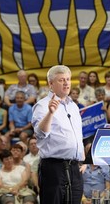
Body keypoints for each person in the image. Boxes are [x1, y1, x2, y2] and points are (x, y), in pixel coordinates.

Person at [31, 65, 84, 204]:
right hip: (54, 168)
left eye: (68, 79)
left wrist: (81, 159)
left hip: (74, 168)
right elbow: (40, 134)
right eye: (61, 80)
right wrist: (50, 113)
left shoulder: (74, 106)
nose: (66, 83)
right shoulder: (42, 106)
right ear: (51, 84)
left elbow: (77, 136)